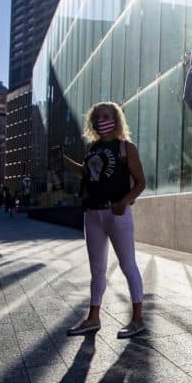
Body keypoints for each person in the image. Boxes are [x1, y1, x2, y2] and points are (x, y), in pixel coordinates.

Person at [58, 101, 147, 338]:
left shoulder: (126, 148)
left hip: (117, 214)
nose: (100, 121)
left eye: (105, 116)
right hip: (92, 214)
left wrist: (124, 202)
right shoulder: (91, 149)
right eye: (96, 117)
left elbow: (141, 183)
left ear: (116, 119)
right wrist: (66, 163)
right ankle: (93, 318)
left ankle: (137, 319)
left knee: (128, 266)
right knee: (97, 270)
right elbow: (88, 174)